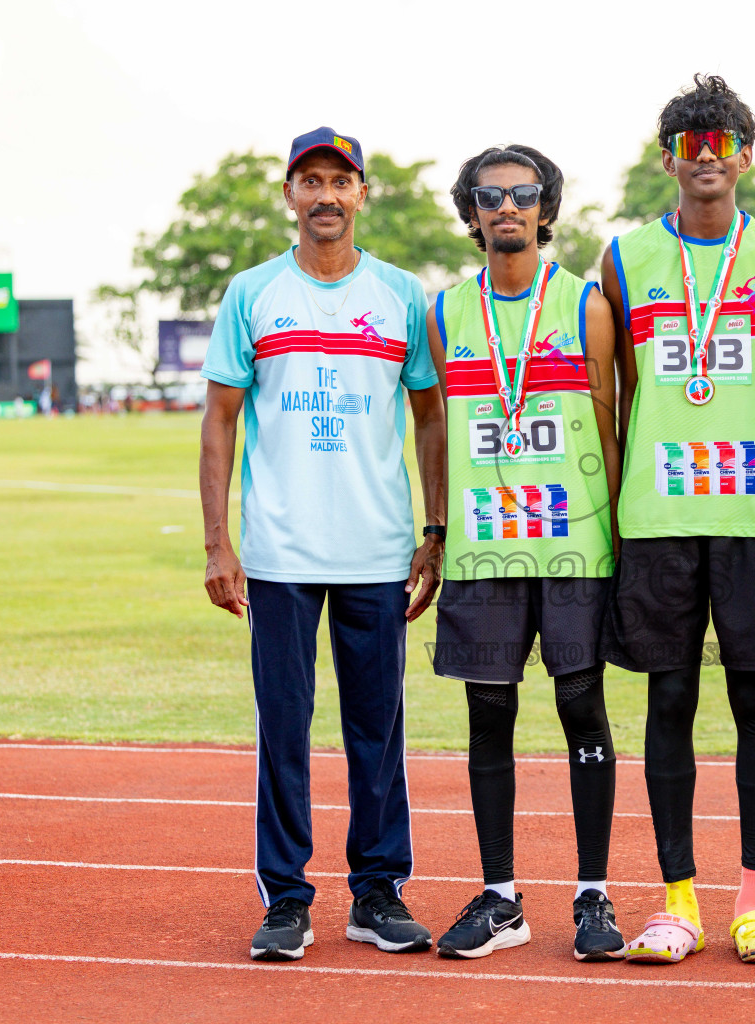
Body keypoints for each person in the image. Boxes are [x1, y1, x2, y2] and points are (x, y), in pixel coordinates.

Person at [199, 125, 447, 962]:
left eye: (341, 181)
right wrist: (217, 543)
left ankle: (377, 894)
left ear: (363, 194)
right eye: (311, 181)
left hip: (378, 551)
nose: (326, 196)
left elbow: (430, 417)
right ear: (291, 195)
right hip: (278, 554)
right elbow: (221, 421)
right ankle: (286, 900)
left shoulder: (404, 295)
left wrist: (435, 528)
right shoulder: (253, 292)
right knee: (284, 728)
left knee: (378, 730)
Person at [600, 73, 755, 966]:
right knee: (670, 699)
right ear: (667, 159)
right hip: (656, 520)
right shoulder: (621, 260)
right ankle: (677, 900)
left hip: (754, 516)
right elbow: (609, 400)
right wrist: (608, 517)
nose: (706, 159)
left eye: (721, 144)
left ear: (746, 157)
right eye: (691, 146)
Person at [426, 145, 626, 962]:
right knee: (489, 714)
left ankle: (593, 894)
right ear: (470, 212)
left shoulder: (586, 306)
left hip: (575, 549)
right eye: (489, 194)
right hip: (483, 553)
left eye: (523, 193)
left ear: (547, 209)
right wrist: (436, 532)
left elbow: (612, 420)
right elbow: (435, 428)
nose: (506, 206)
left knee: (581, 704)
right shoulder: (444, 314)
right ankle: (502, 897)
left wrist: (622, 542)